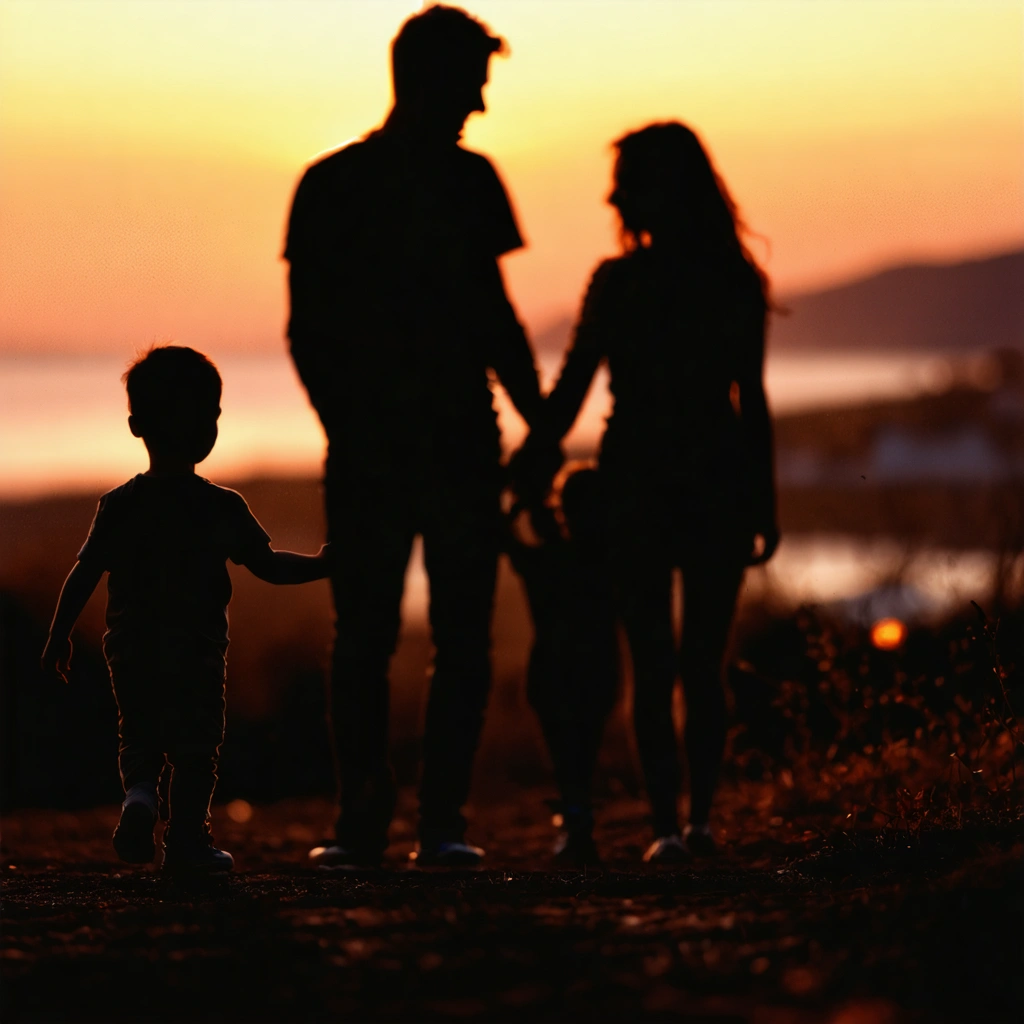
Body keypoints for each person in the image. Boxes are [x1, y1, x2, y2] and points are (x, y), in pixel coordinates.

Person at [284, 5, 543, 869]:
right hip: (415, 444)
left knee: (408, 637)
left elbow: (496, 319)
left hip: (441, 442)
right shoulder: (345, 184)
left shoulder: (356, 183)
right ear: (430, 80)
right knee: (385, 637)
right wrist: (350, 426)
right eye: (473, 82)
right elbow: (310, 331)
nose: (480, 104)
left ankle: (420, 824)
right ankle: (403, 825)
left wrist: (539, 426)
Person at [516, 122, 778, 863]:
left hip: (646, 485)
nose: (612, 195)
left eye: (626, 180)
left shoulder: (621, 283)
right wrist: (764, 503)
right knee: (692, 665)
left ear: (663, 187)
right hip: (706, 483)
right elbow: (750, 400)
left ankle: (676, 827)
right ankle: (689, 824)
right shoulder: (730, 278)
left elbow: (568, 398)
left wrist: (530, 464)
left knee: (662, 665)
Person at [41, 346, 330, 872]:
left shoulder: (119, 505)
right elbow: (267, 566)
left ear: (136, 425)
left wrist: (59, 634)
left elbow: (84, 572)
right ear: (208, 428)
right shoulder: (220, 506)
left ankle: (140, 797)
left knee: (140, 732)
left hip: (129, 648)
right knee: (196, 747)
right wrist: (321, 566)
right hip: (196, 648)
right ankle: (187, 841)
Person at [505, 464, 619, 866]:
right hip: (597, 666)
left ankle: (575, 822)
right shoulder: (612, 562)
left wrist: (521, 505)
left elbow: (511, 543)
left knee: (566, 754)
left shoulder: (549, 559)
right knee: (583, 751)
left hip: (551, 669)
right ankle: (577, 821)